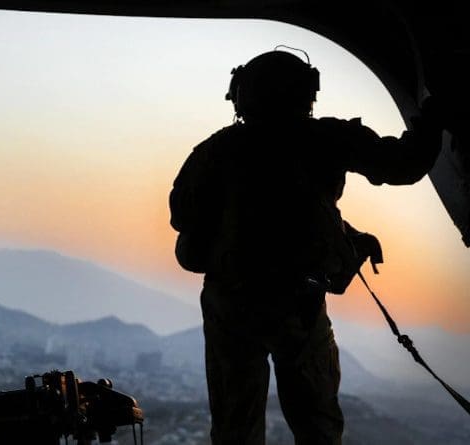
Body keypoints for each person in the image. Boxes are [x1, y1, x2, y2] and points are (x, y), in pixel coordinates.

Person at [169, 50, 442, 444]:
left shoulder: (216, 151)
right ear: (305, 94)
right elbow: (404, 164)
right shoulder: (325, 139)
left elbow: (183, 218)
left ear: (243, 94)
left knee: (235, 427)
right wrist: (434, 117)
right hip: (298, 304)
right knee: (317, 427)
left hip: (232, 303)